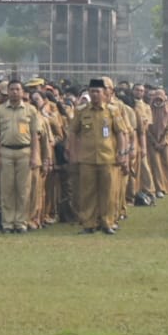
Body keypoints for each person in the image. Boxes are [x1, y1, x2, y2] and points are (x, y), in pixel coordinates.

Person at [68, 77, 128, 234]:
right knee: (87, 192)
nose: (95, 95)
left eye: (98, 91)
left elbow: (121, 133)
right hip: (87, 158)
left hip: (108, 158)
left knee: (108, 192)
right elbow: (73, 133)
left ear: (104, 94)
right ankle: (89, 223)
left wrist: (122, 153)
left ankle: (107, 222)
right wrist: (73, 153)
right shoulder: (81, 111)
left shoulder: (112, 111)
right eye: (92, 91)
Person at [0, 78, 43, 233]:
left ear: (23, 92)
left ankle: (21, 222)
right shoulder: (0, 110)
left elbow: (35, 135)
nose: (14, 92)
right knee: (7, 189)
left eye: (17, 89)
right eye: (11, 89)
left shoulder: (30, 110)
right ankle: (7, 223)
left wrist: (35, 156)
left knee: (23, 189)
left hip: (24, 152)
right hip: (5, 152)